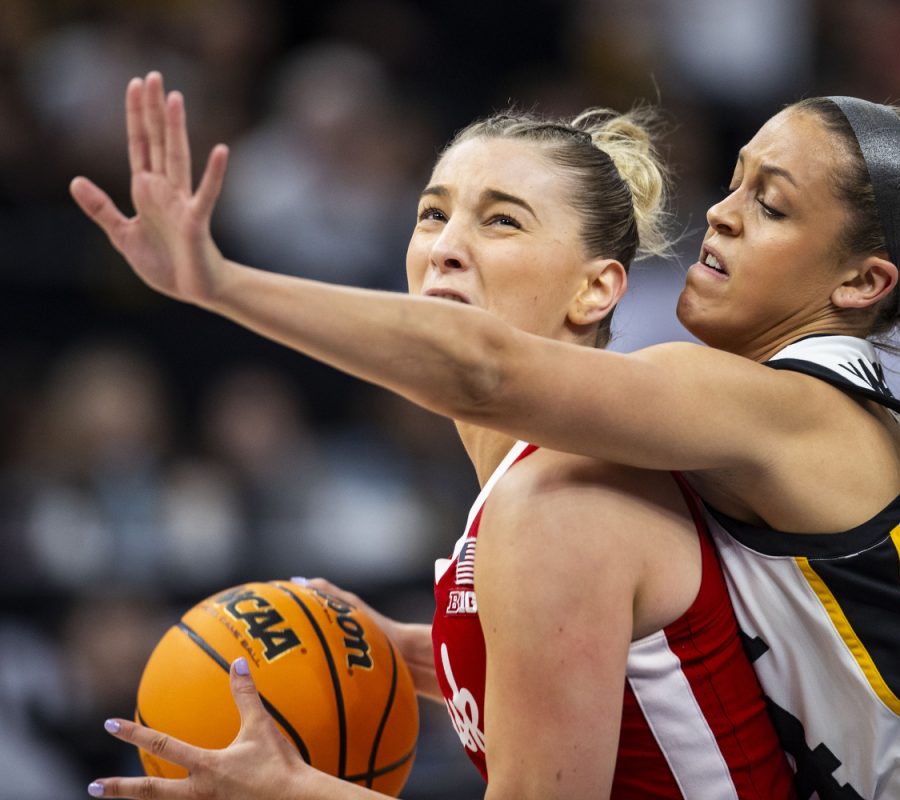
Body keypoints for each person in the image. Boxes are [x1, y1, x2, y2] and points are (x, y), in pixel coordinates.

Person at [71, 71, 900, 797]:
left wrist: (216, 283)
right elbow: (653, 657)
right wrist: (403, 649)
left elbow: (490, 367)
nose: (720, 211)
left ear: (863, 279)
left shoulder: (781, 407)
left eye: (772, 204)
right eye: (737, 181)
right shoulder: (704, 449)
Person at [73, 74, 797, 799]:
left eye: (502, 221)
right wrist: (388, 650)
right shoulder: (532, 487)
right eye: (431, 214)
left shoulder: (563, 502)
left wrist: (289, 791)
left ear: (597, 289)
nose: (446, 248)